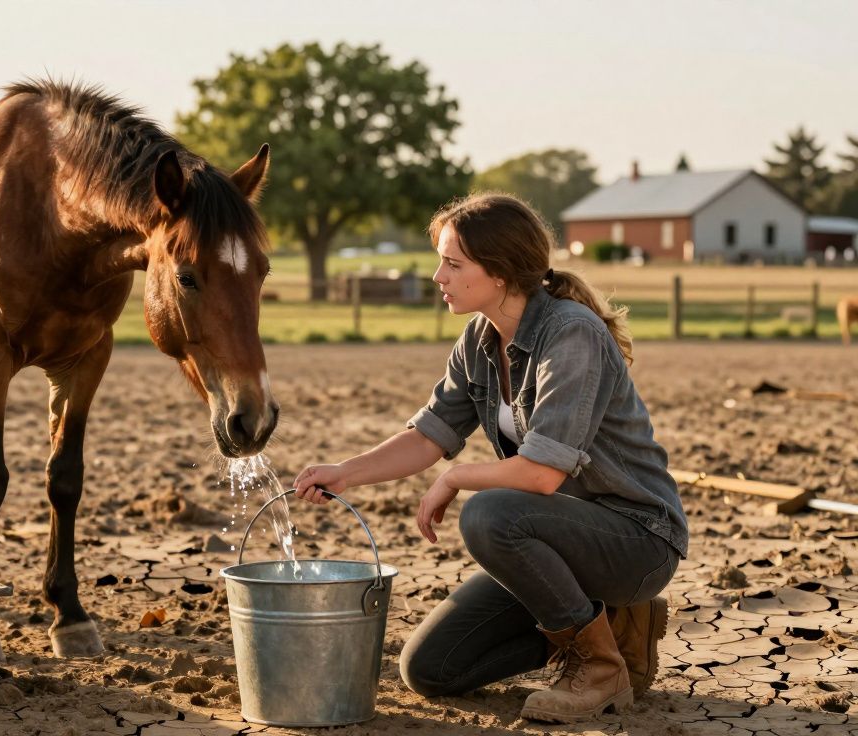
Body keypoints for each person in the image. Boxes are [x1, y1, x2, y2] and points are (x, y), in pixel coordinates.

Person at [293, 193, 687, 724]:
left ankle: (597, 667)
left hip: (635, 539)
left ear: (500, 273)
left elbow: (542, 473)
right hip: (557, 544)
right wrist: (345, 473)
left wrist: (457, 477)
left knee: (487, 512)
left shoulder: (571, 334)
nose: (439, 276)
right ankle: (612, 630)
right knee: (432, 670)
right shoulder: (479, 339)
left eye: (453, 264)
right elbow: (428, 435)